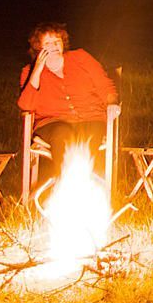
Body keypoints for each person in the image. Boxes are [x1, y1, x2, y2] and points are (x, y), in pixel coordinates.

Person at [16, 22, 119, 184]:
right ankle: (68, 183)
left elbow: (105, 85)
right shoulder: (29, 72)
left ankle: (82, 183)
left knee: (91, 134)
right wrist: (37, 70)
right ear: (38, 47)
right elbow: (26, 105)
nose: (54, 46)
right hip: (52, 122)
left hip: (90, 117)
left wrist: (112, 102)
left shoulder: (81, 58)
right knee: (63, 134)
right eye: (48, 43)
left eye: (57, 41)